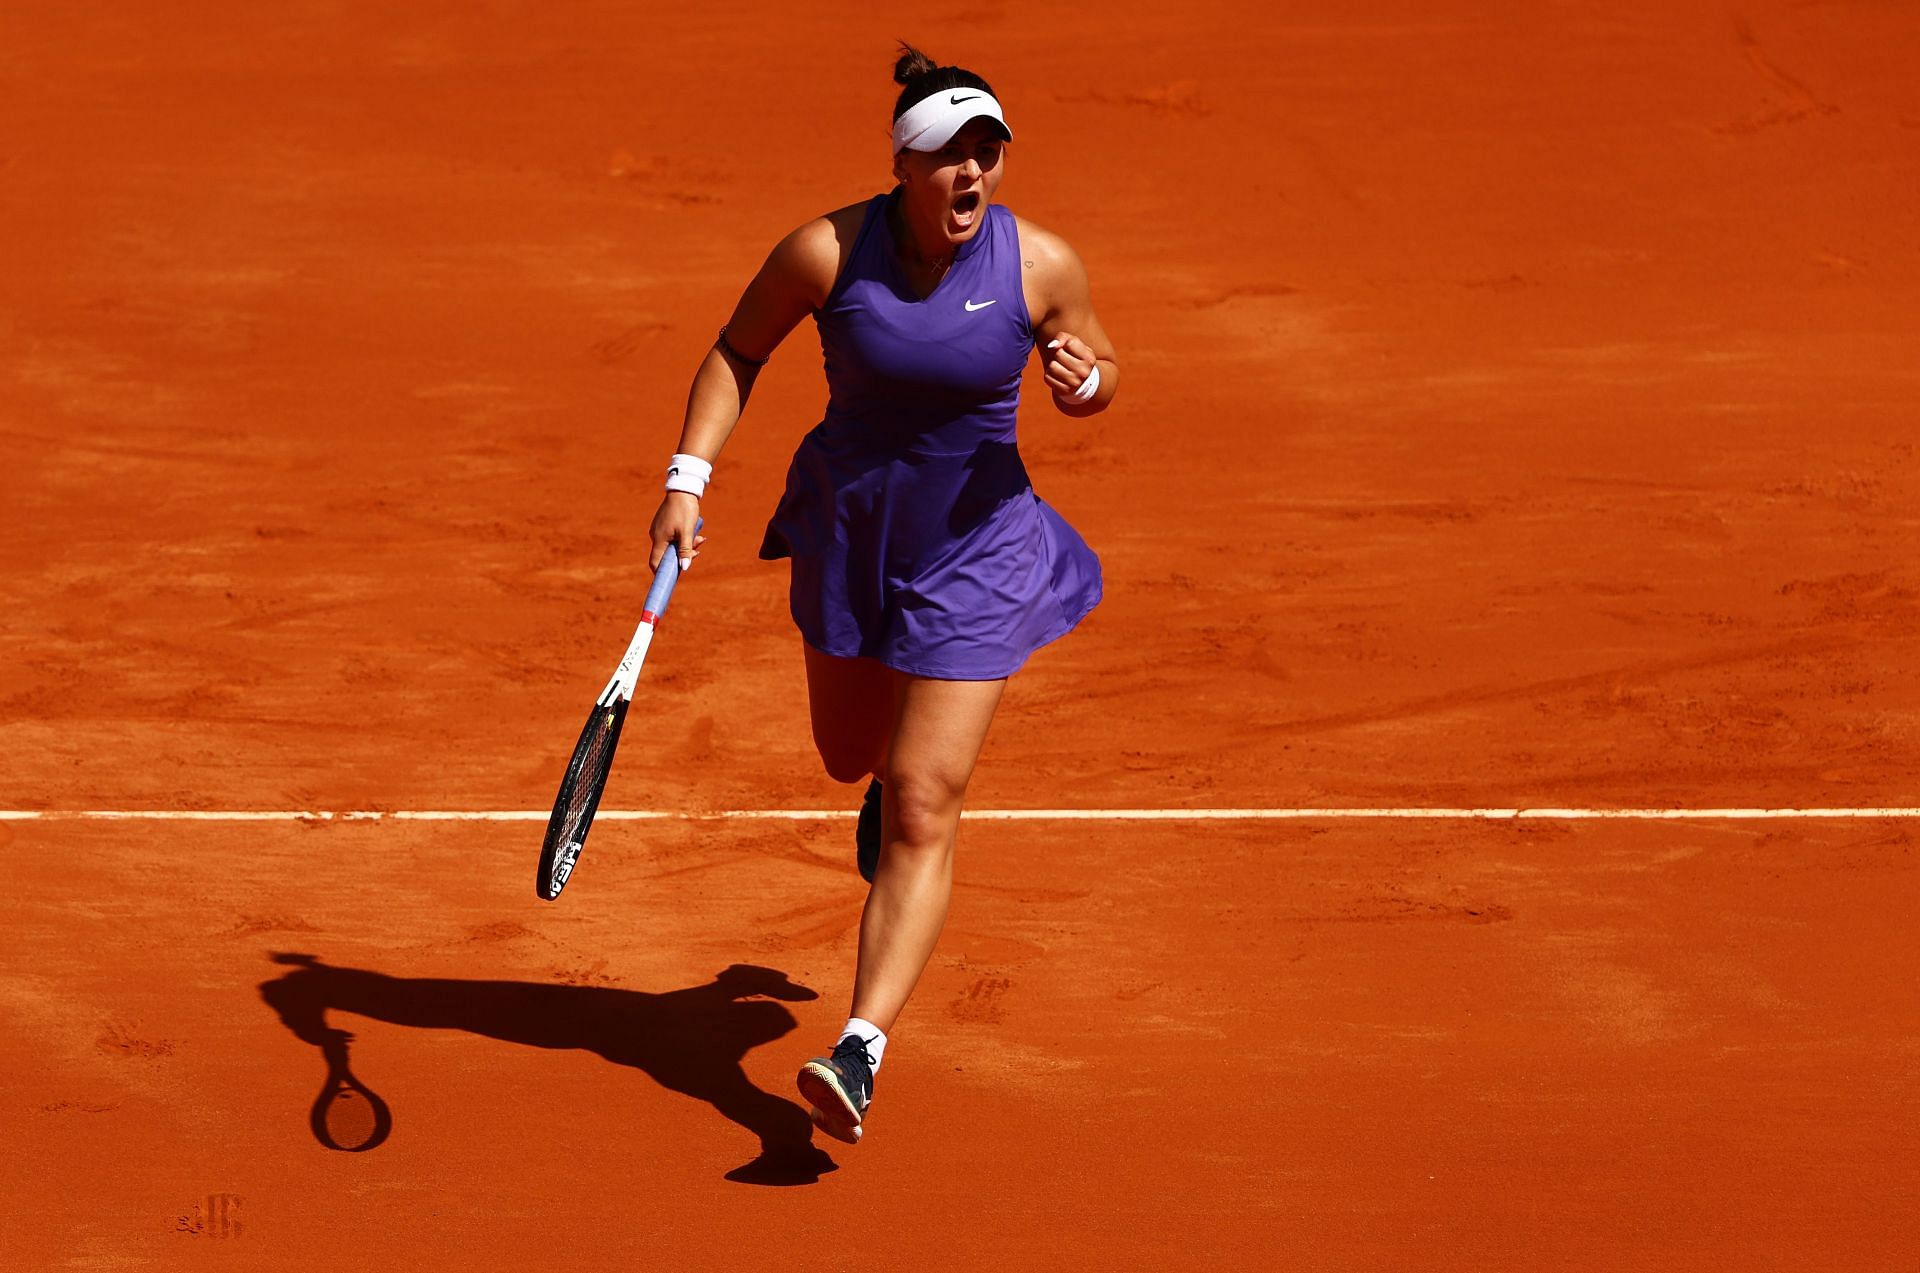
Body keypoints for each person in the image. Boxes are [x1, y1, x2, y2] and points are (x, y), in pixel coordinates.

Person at [646, 43, 1118, 1147]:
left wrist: (1084, 382)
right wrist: (686, 478)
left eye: (987, 155)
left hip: (979, 549)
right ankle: (880, 791)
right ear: (903, 165)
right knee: (850, 757)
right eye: (950, 155)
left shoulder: (1039, 265)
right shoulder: (824, 253)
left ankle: (860, 1042)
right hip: (852, 535)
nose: (972, 175)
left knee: (923, 798)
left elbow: (1099, 367)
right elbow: (735, 351)